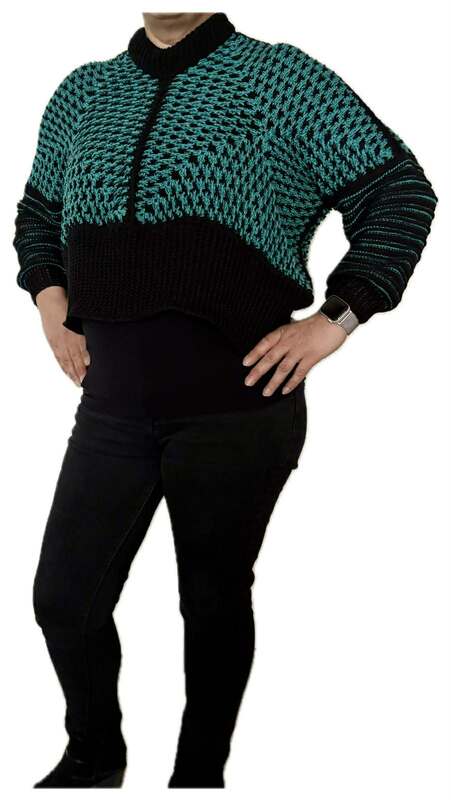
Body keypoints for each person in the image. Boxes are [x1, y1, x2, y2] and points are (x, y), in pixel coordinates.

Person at [12, 11, 438, 790]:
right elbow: (39, 213)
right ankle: (93, 758)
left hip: (239, 406)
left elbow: (399, 192)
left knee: (210, 603)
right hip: (111, 408)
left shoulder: (277, 79)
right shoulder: (84, 92)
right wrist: (48, 297)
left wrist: (336, 319)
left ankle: (198, 775)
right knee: (63, 599)